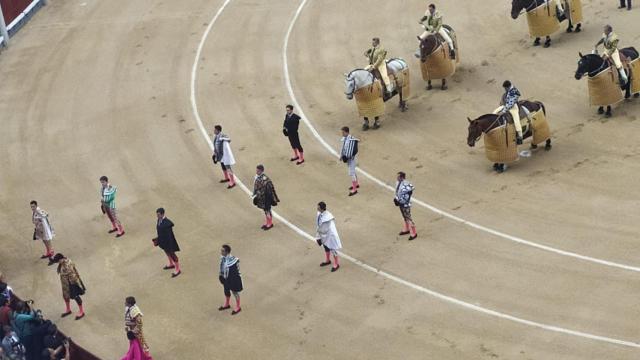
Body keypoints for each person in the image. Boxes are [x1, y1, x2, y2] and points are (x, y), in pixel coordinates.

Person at [51, 254, 85, 320]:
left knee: (76, 297)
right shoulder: (64, 261)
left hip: (72, 283)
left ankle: (81, 311)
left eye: (58, 261)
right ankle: (68, 309)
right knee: (65, 296)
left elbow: (72, 275)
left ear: (61, 259)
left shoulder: (67, 265)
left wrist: (74, 285)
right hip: (65, 284)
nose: (58, 263)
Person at [496, 80, 527, 144]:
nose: (504, 89)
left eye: (505, 88)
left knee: (516, 120)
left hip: (513, 107)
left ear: (508, 87)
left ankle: (520, 136)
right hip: (505, 106)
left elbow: (511, 103)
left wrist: (504, 111)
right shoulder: (507, 92)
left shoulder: (514, 92)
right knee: (495, 112)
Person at [153, 208, 181, 278]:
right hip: (163, 241)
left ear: (162, 214)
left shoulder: (167, 223)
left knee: (173, 255)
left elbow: (169, 236)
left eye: (158, 214)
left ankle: (177, 269)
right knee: (167, 252)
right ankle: (171, 264)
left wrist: (170, 245)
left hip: (168, 242)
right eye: (157, 214)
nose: (157, 216)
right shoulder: (159, 220)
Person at [315, 202, 342, 272]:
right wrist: (319, 237)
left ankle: (336, 264)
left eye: (318, 207)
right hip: (324, 234)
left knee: (333, 249)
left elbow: (324, 229)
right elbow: (319, 226)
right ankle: (328, 260)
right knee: (325, 246)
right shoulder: (319, 213)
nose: (317, 208)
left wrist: (318, 237)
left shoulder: (328, 217)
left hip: (330, 235)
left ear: (322, 208)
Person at [252, 165, 280, 230]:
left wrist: (272, 199)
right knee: (265, 211)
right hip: (262, 198)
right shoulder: (258, 177)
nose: (256, 171)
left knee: (267, 211)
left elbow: (270, 189)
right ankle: (268, 222)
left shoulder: (266, 179)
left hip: (266, 198)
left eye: (258, 170)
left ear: (261, 171)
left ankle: (270, 223)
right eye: (256, 170)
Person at [218, 245, 243, 315]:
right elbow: (221, 267)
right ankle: (227, 304)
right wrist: (221, 275)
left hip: (232, 279)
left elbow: (235, 272)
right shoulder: (223, 257)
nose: (221, 252)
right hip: (225, 277)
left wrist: (233, 281)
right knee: (226, 290)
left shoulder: (233, 260)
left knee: (235, 292)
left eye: (222, 251)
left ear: (227, 252)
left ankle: (238, 307)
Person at [394, 172, 418, 241]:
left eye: (398, 177)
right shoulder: (397, 182)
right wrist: (396, 199)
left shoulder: (406, 184)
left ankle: (413, 233)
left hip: (405, 204)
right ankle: (406, 229)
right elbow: (397, 192)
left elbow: (409, 192)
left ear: (402, 177)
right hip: (400, 202)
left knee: (408, 217)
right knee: (404, 217)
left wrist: (402, 201)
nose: (397, 178)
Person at [339, 127, 360, 196]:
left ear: (346, 132)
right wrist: (341, 156)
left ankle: (354, 189)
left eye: (343, 132)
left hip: (352, 159)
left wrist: (347, 156)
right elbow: (343, 148)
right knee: (353, 171)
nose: (342, 134)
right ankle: (356, 184)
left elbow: (353, 150)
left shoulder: (352, 140)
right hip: (348, 159)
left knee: (351, 173)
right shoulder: (345, 139)